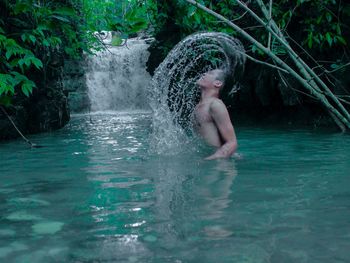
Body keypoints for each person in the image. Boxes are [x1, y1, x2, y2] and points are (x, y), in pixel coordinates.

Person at [194, 69, 237, 160]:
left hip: (219, 163)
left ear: (217, 83)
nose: (204, 73)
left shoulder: (216, 105)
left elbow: (232, 143)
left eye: (210, 73)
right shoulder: (198, 107)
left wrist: (209, 160)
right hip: (207, 159)